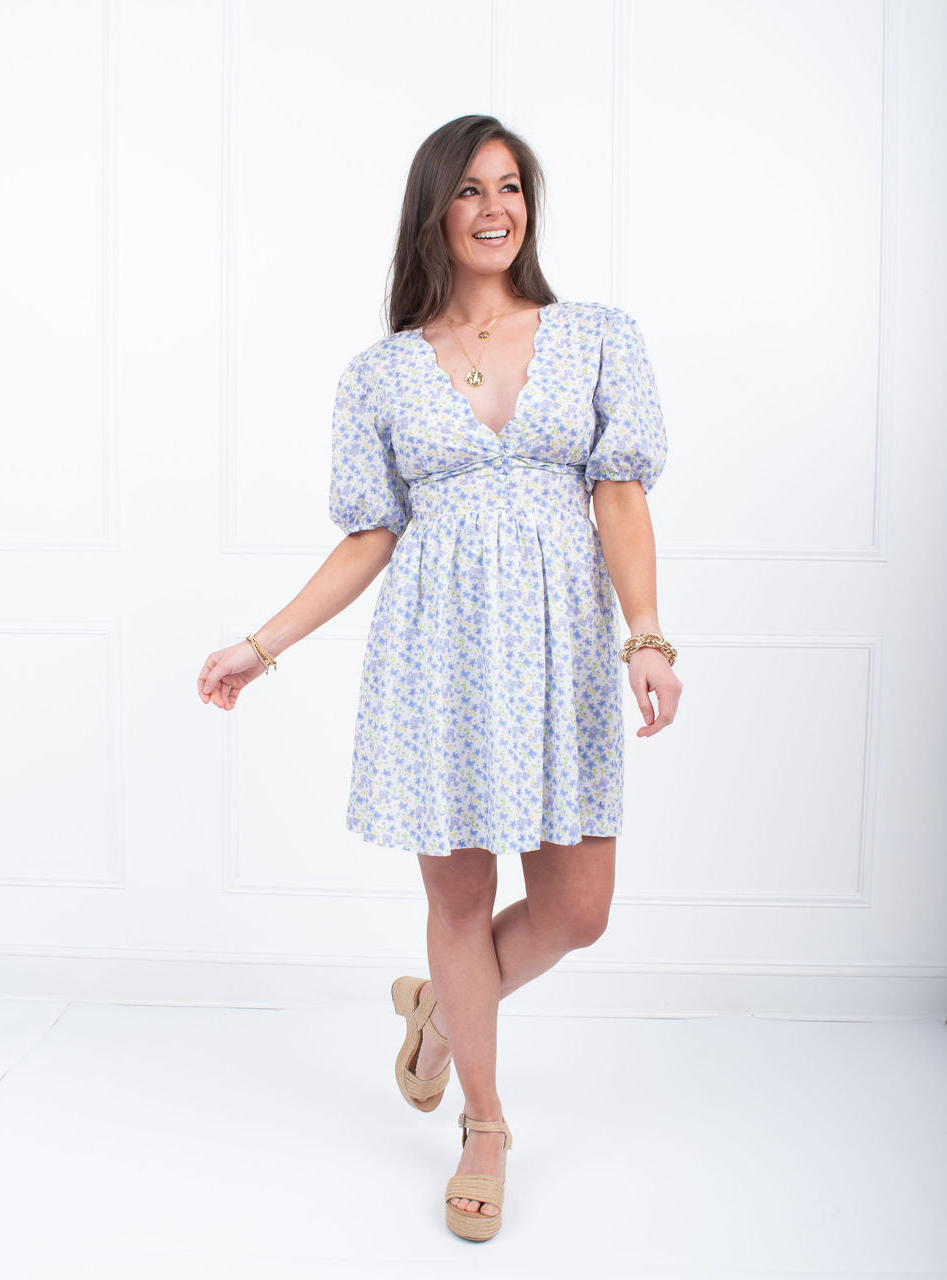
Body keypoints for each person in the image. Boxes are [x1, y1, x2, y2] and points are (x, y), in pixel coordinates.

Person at [197, 114, 681, 1242]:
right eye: (469, 189)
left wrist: (647, 636)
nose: (494, 208)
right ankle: (486, 1124)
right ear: (433, 209)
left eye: (510, 186)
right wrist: (261, 645)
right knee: (457, 903)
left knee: (579, 909)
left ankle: (438, 1012)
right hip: (436, 660)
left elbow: (619, 495)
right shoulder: (378, 374)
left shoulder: (596, 337)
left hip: (559, 654)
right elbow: (370, 534)